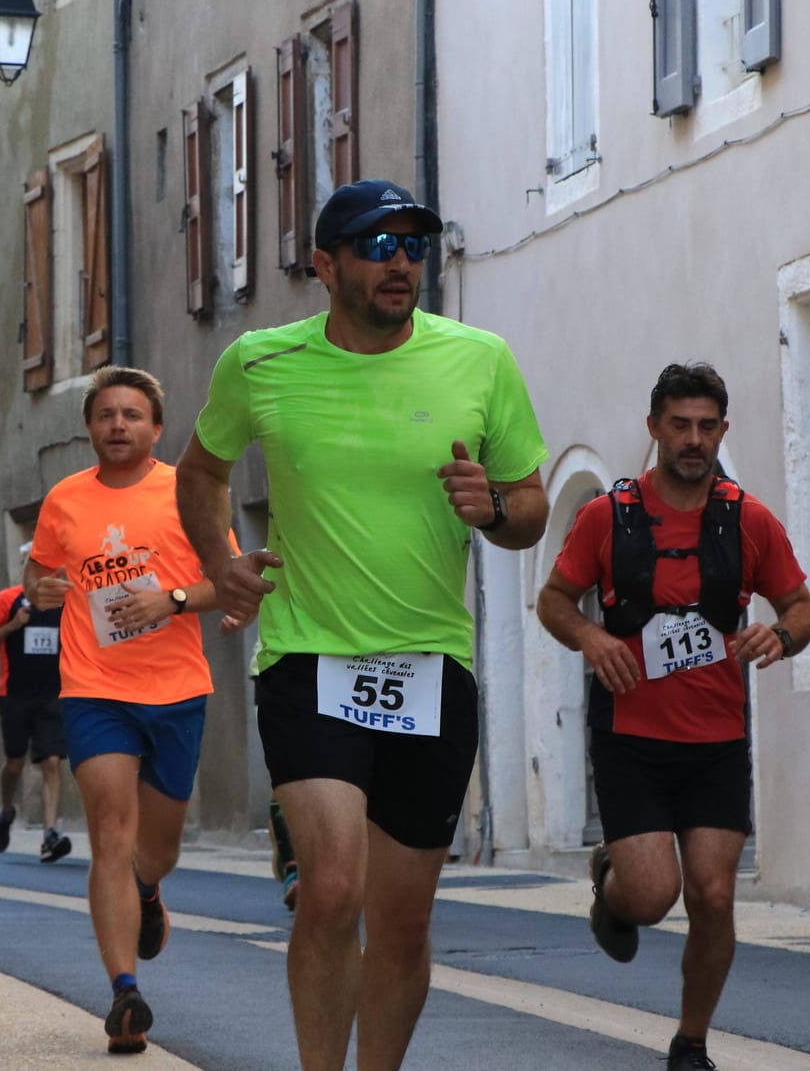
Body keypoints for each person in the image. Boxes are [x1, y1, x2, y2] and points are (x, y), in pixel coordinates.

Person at [176, 180, 549, 1071]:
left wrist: (493, 506)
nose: (401, 261)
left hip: (431, 662)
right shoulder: (260, 362)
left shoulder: (481, 359)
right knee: (334, 886)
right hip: (308, 653)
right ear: (325, 264)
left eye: (413, 244)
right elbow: (199, 471)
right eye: (378, 245)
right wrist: (220, 559)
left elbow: (533, 506)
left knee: (405, 920)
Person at [536, 363, 810, 1071]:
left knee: (715, 893)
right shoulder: (609, 515)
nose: (693, 440)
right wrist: (594, 638)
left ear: (723, 430)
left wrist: (780, 636)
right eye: (680, 425)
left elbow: (803, 608)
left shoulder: (747, 518)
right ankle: (612, 884)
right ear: (655, 427)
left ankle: (691, 1041)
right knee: (654, 893)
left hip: (717, 740)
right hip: (630, 738)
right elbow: (554, 601)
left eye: (706, 426)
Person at [26, 366, 225, 1055]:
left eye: (131, 415)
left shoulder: (186, 491)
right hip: (93, 686)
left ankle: (147, 888)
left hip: (175, 689)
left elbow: (223, 580)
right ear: (89, 427)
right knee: (110, 832)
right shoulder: (64, 500)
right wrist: (44, 590)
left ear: (156, 427)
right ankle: (123, 993)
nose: (118, 425)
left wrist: (169, 601)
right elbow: (39, 572)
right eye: (106, 414)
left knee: (157, 845)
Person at [0, 549, 74, 863]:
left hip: (52, 695)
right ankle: (7, 809)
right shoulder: (9, 599)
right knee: (15, 763)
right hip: (15, 694)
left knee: (51, 763)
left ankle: (49, 834)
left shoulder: (64, 602)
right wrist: (13, 626)